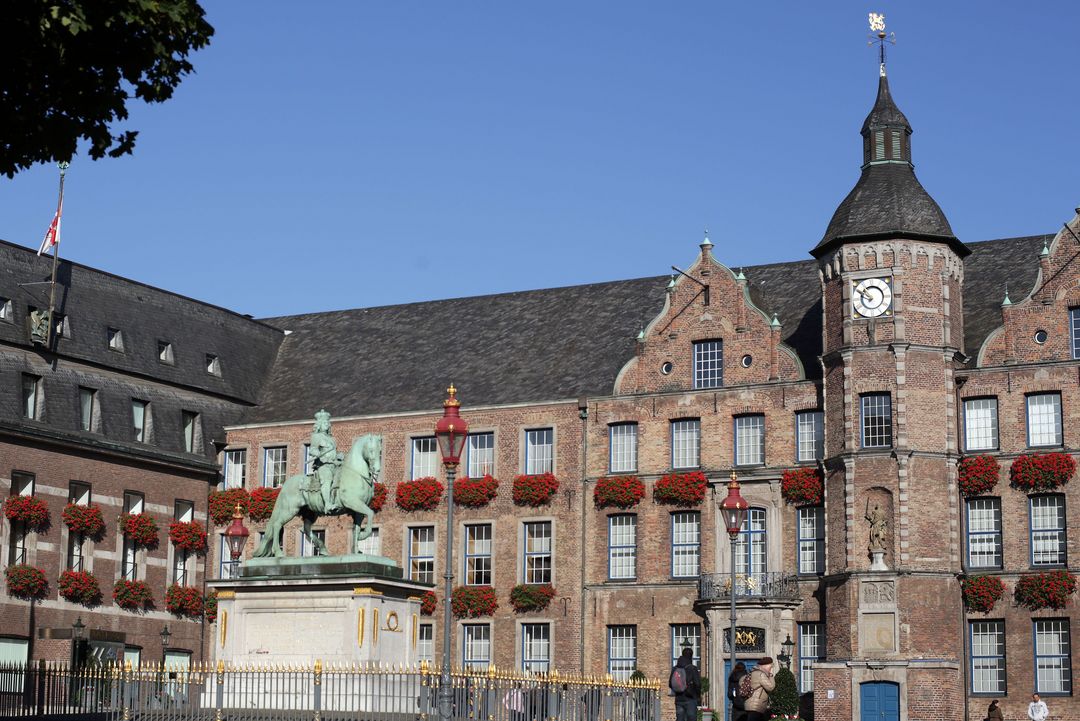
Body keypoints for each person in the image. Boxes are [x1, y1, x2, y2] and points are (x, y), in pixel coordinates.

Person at [309, 410, 342, 513]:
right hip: (323, 465)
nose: (327, 425)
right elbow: (312, 449)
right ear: (319, 425)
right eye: (324, 423)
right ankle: (327, 504)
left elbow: (334, 453)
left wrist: (339, 456)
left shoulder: (332, 439)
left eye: (328, 423)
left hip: (334, 465)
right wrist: (317, 453)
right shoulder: (316, 436)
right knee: (327, 480)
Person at [671, 646, 702, 721]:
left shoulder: (675, 668)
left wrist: (678, 690)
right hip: (690, 699)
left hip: (678, 699)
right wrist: (697, 697)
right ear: (691, 656)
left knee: (680, 719)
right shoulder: (692, 668)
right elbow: (698, 684)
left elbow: (670, 683)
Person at [743, 657, 775, 721]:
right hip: (757, 705)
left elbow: (741, 681)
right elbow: (770, 687)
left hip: (749, 704)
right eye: (770, 667)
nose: (770, 669)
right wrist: (771, 676)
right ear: (766, 666)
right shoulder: (761, 674)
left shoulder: (751, 672)